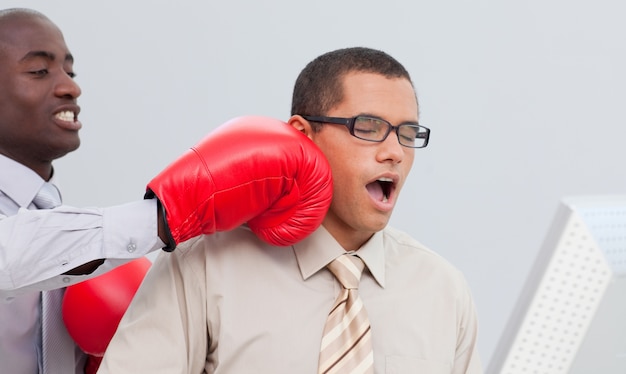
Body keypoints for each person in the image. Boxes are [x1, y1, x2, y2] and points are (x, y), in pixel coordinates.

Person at [98, 47, 483, 373]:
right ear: (302, 135)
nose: (395, 152)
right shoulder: (204, 265)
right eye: (368, 127)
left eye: (408, 133)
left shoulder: (443, 290)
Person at [0, 8, 332, 374]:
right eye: (38, 71)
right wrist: (168, 214)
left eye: (70, 71)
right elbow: (11, 255)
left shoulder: (67, 235)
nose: (70, 87)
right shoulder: (39, 240)